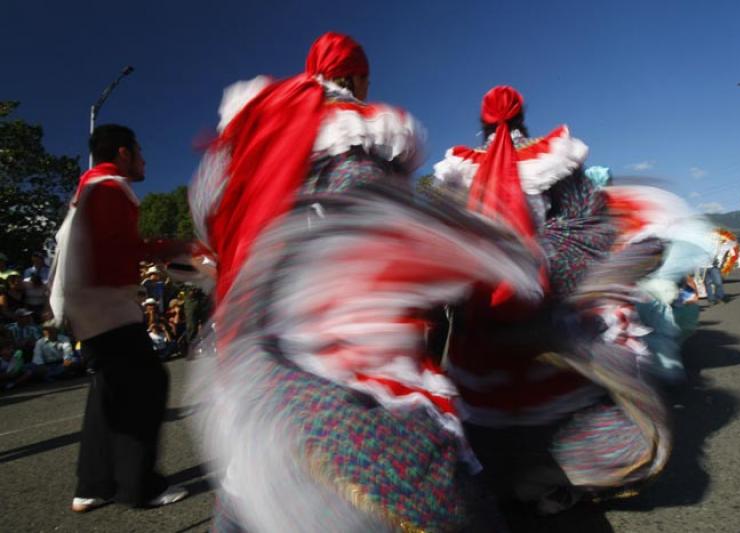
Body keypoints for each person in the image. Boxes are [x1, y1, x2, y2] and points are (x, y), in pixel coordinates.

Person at [189, 33, 537, 532]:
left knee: (255, 455)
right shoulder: (356, 135)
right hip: (342, 320)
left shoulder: (259, 134)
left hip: (260, 322)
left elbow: (216, 221)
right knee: (401, 459)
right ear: (353, 77)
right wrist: (469, 251)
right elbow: (373, 223)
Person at [433, 86, 675, 519]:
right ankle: (559, 482)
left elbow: (444, 235)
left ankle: (506, 484)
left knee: (492, 403)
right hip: (548, 305)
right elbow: (591, 226)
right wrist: (544, 268)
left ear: (483, 123)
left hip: (482, 312)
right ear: (523, 116)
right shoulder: (553, 161)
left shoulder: (458, 170)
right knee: (559, 399)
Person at [49, 124, 191, 512]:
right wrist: (172, 248)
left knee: (108, 395)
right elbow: (118, 252)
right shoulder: (109, 188)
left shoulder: (87, 190)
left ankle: (92, 484)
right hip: (107, 308)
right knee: (148, 386)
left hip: (89, 311)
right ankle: (139, 487)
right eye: (140, 151)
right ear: (124, 153)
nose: (145, 160)